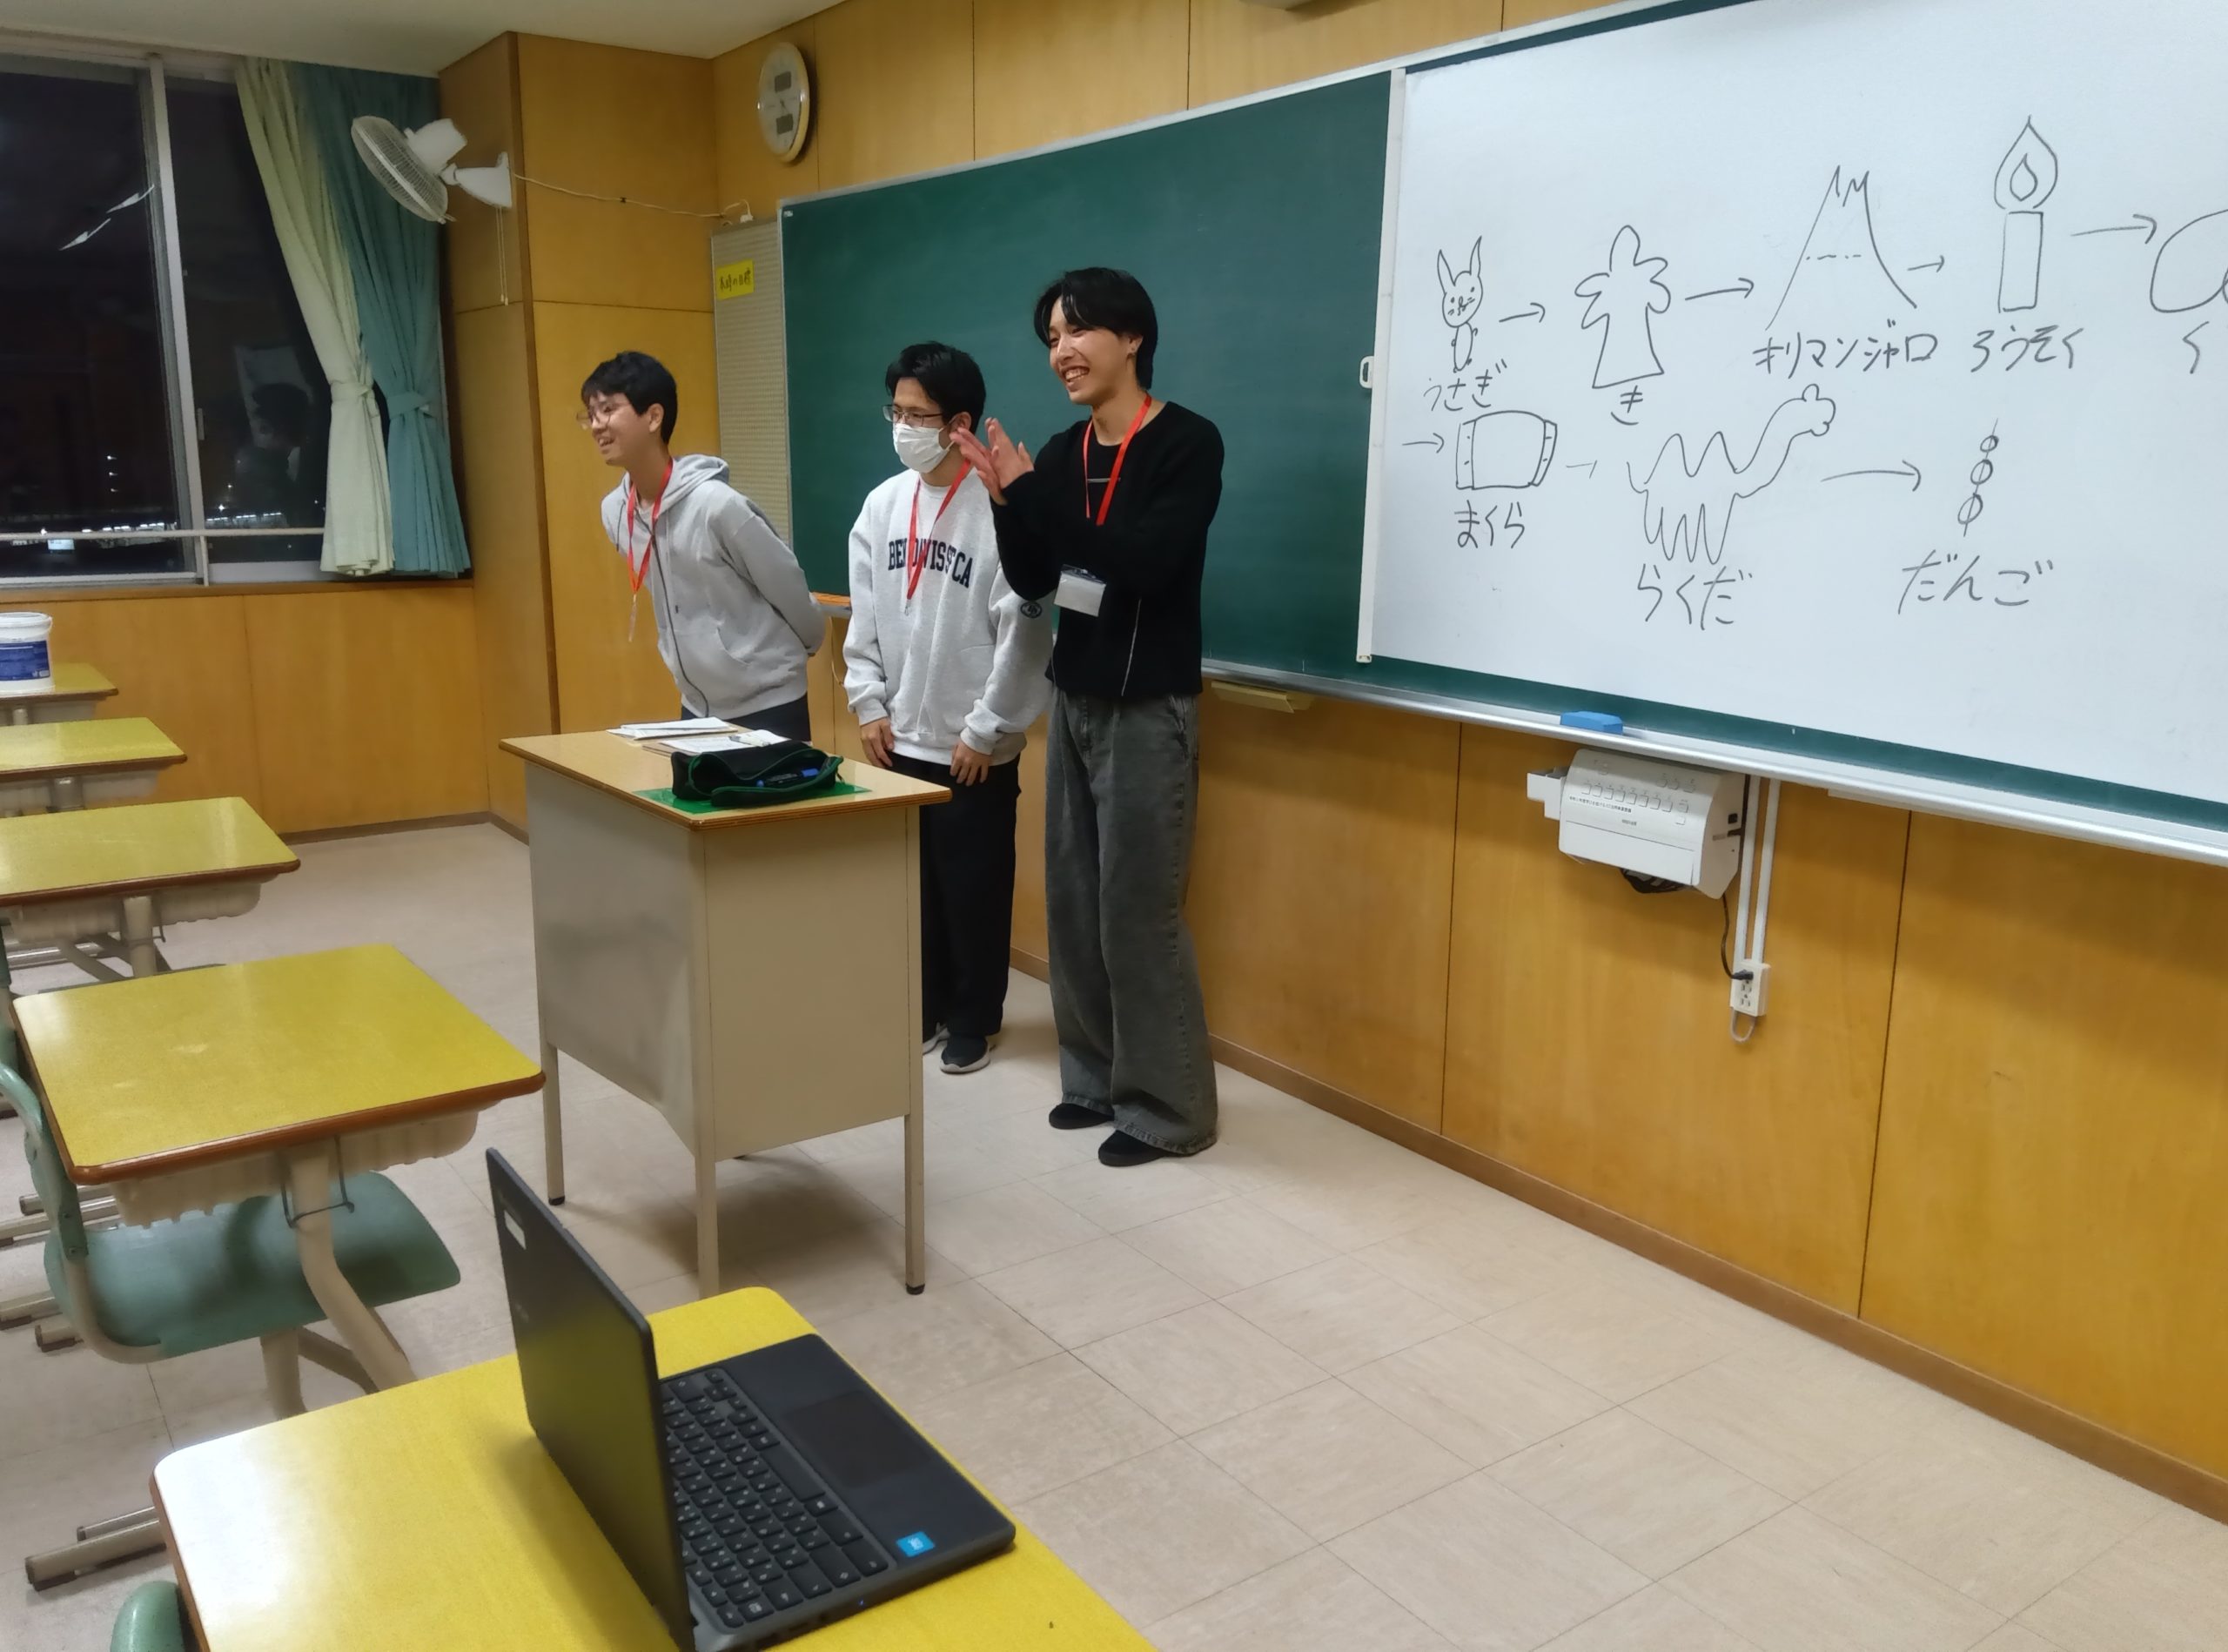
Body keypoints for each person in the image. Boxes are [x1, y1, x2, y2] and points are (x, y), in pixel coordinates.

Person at [952, 268, 1223, 1167]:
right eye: (1051, 339)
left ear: (1132, 337)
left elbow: (1140, 564)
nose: (1061, 352)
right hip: (1075, 697)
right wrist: (1005, 503)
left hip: (1149, 706)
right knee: (1073, 906)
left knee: (1137, 914)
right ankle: (1094, 1082)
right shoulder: (1065, 453)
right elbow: (1037, 577)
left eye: (1076, 332)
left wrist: (1031, 496)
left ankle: (1167, 1111)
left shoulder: (1186, 442)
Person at [845, 343, 1053, 1076]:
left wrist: (987, 729)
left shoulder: (997, 511)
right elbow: (864, 617)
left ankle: (974, 1019)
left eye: (918, 415)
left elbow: (1025, 633)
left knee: (974, 889)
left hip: (971, 748)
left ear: (959, 422)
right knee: (917, 890)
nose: (902, 427)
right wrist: (867, 702)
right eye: (896, 412)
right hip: (897, 739)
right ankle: (928, 1004)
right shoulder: (882, 504)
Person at [582, 351, 824, 741]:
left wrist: (789, 656)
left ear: (654, 417)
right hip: (697, 704)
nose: (597, 425)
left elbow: (788, 589)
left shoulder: (718, 506)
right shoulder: (615, 512)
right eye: (591, 414)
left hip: (770, 700)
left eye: (608, 410)